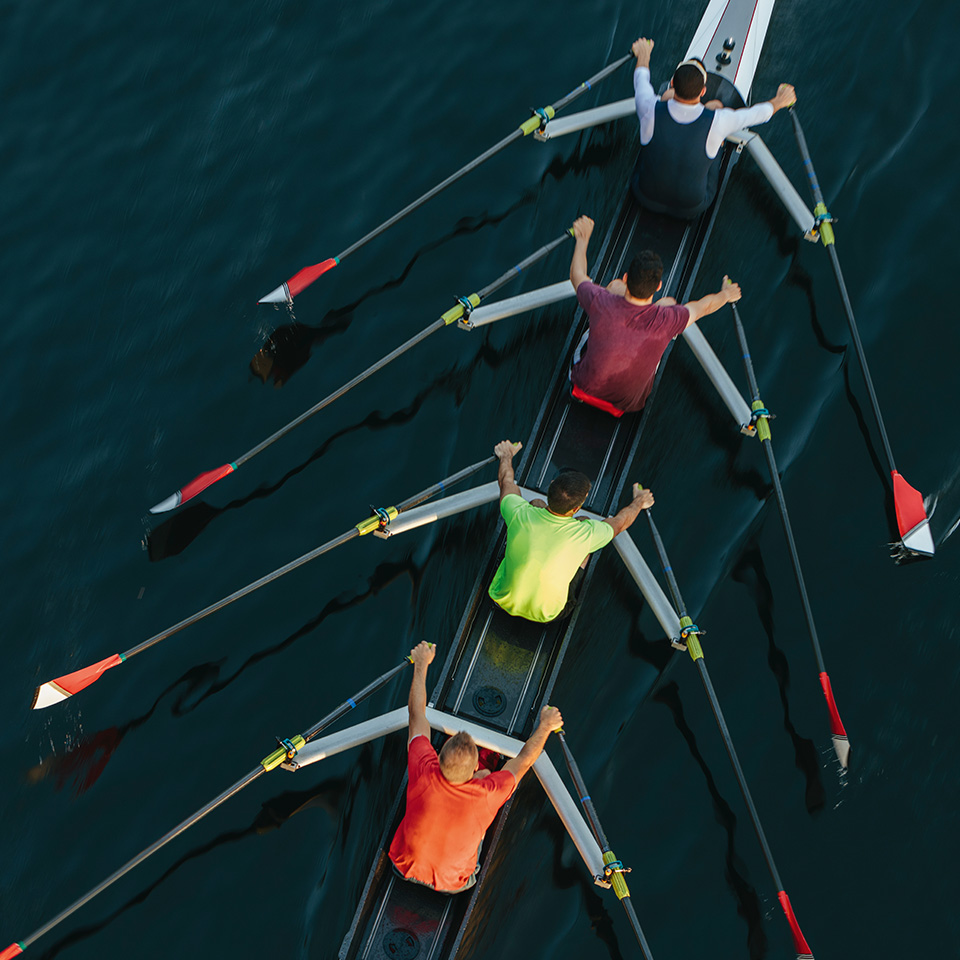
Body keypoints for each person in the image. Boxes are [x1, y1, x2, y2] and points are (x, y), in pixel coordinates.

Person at [389, 641, 564, 893]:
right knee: (490, 787)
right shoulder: (487, 793)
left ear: (437, 758)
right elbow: (525, 759)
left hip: (400, 867)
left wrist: (422, 664)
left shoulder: (423, 766)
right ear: (472, 773)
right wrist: (545, 726)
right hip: (454, 886)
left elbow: (417, 714)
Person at [568, 214, 741, 414]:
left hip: (582, 387)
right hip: (627, 405)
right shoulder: (668, 319)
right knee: (669, 303)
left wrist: (583, 239)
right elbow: (706, 306)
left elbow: (577, 275)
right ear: (658, 286)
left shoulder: (600, 301)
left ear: (627, 277)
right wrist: (726, 294)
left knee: (613, 287)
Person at [630, 37, 797, 219]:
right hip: (693, 207)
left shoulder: (647, 106)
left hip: (644, 196)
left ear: (672, 84)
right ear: (702, 91)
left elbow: (641, 79)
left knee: (665, 104)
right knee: (716, 106)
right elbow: (759, 114)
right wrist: (781, 100)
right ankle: (718, 144)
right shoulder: (719, 120)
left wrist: (644, 54)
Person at [488, 440, 654, 622]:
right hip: (549, 615)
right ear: (576, 508)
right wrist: (639, 501)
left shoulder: (518, 512)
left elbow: (506, 481)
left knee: (536, 504)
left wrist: (506, 455)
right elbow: (621, 523)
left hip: (500, 599)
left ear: (551, 485)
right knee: (585, 527)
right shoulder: (587, 534)